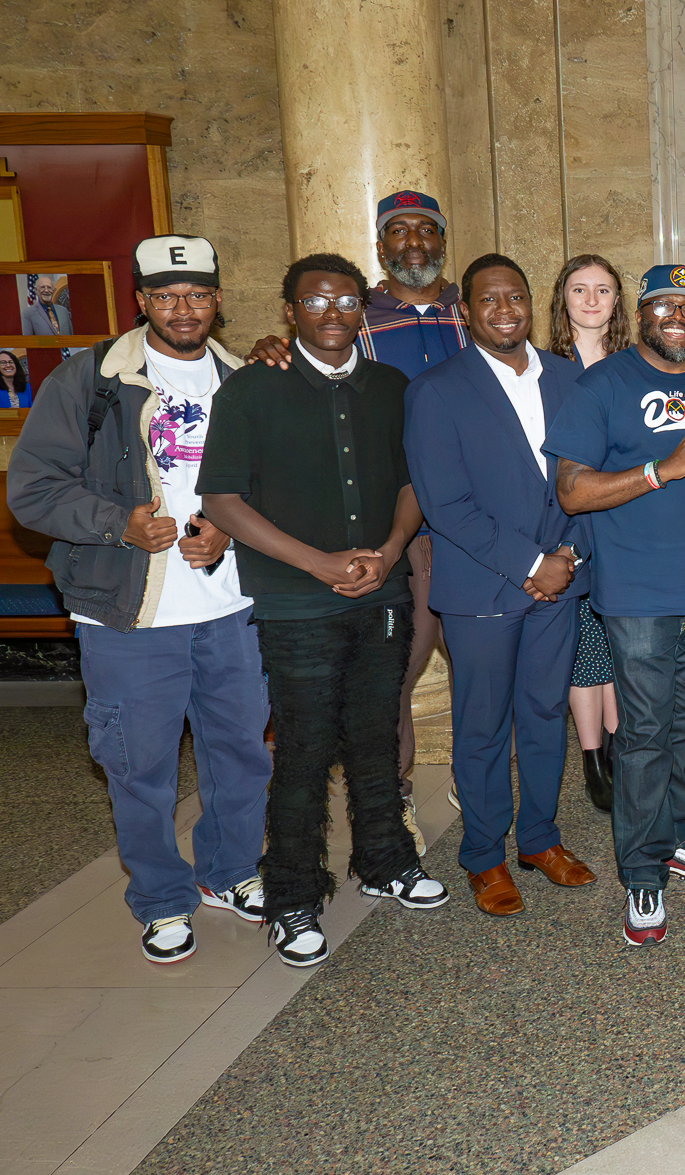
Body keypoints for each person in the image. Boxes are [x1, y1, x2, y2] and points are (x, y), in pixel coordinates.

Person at [8, 235, 268, 964]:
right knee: (139, 764)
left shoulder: (243, 378)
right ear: (142, 300)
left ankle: (230, 871)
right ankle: (160, 898)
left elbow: (272, 482)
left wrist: (226, 529)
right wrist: (115, 522)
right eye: (166, 296)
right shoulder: (90, 380)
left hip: (230, 606)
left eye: (197, 295)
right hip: (128, 614)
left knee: (242, 753)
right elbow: (32, 488)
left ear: (217, 300)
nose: (183, 308)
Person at [198, 254, 443, 968]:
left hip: (381, 591)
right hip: (295, 600)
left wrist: (392, 549)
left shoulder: (390, 386)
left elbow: (411, 481)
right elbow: (222, 500)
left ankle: (388, 860)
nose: (332, 314)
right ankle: (293, 895)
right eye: (316, 302)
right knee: (303, 749)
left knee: (375, 734)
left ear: (361, 310)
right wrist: (319, 563)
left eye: (345, 301)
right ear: (289, 311)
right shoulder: (250, 390)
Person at [243, 188, 468, 846]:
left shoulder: (476, 308)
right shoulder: (356, 315)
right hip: (404, 531)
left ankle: (474, 778)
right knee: (398, 669)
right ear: (380, 245)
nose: (414, 244)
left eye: (426, 230)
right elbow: (311, 364)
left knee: (485, 670)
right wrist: (271, 348)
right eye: (398, 232)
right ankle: (392, 795)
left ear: (442, 240)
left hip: (481, 526)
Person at [548, 264, 685, 946]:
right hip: (637, 594)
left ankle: (665, 834)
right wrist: (657, 470)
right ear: (641, 313)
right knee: (642, 733)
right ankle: (641, 870)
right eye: (664, 305)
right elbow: (572, 491)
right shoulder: (601, 386)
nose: (677, 316)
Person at [404, 255, 597, 917]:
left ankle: (540, 839)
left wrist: (566, 557)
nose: (505, 309)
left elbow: (591, 479)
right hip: (484, 587)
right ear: (466, 310)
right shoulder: (436, 390)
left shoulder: (570, 378)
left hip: (560, 583)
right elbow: (446, 503)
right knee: (483, 727)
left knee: (546, 718)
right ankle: (484, 855)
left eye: (515, 296)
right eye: (489, 300)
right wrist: (528, 564)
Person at [547, 253, 630, 810]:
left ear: (618, 300)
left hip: (622, 518)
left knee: (620, 642)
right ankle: (593, 758)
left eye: (603, 290)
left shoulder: (634, 364)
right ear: (564, 300)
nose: (592, 300)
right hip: (567, 520)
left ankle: (623, 747)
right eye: (580, 290)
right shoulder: (544, 367)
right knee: (584, 648)